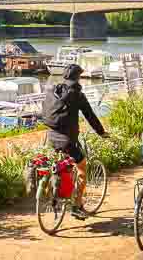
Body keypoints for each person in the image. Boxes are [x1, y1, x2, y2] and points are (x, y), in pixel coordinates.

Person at [41, 63, 106, 219]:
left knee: (63, 166)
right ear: (78, 78)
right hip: (68, 140)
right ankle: (76, 206)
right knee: (82, 168)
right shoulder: (77, 94)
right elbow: (90, 116)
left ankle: (59, 191)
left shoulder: (54, 90)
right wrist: (101, 132)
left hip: (51, 136)